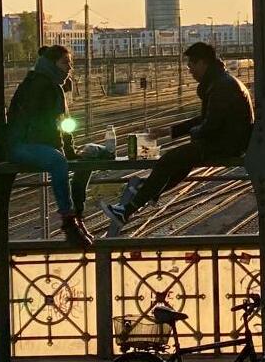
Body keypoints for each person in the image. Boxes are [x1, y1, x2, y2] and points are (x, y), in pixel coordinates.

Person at [104, 42, 253, 234]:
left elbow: (210, 125)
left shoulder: (221, 86)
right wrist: (170, 131)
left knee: (169, 160)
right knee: (178, 164)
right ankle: (144, 196)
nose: (189, 70)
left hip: (226, 144)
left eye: (191, 64)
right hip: (229, 141)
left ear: (202, 63)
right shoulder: (220, 82)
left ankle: (129, 208)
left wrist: (192, 136)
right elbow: (206, 119)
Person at [6, 45, 93, 248]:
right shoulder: (39, 85)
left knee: (91, 154)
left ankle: (78, 214)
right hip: (23, 145)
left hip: (38, 143)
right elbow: (48, 126)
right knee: (57, 161)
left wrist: (69, 149)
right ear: (51, 63)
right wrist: (63, 150)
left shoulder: (52, 84)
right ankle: (68, 220)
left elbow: (62, 123)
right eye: (65, 62)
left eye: (70, 62)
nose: (69, 67)